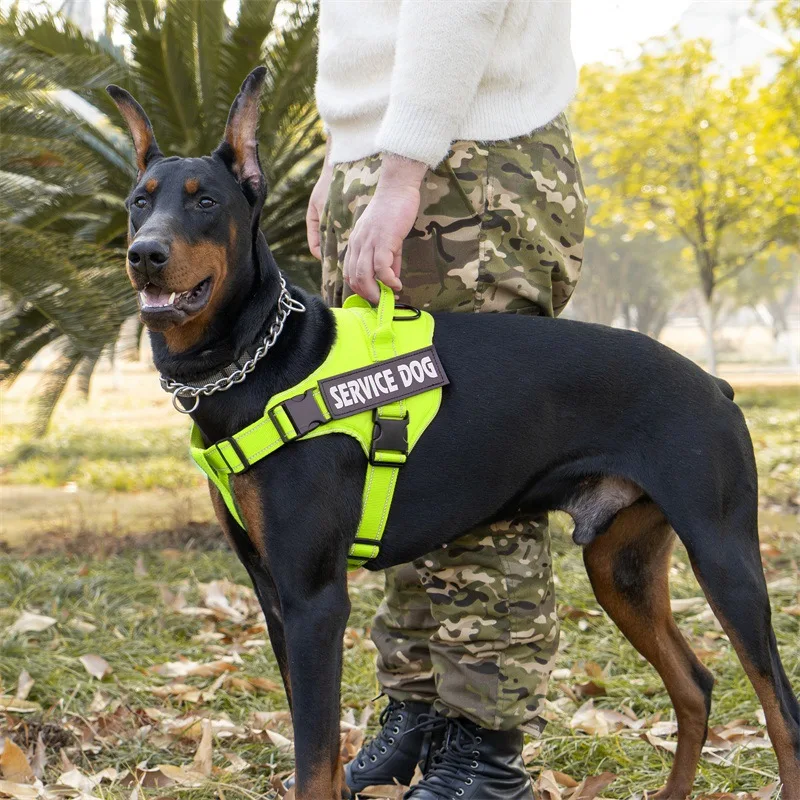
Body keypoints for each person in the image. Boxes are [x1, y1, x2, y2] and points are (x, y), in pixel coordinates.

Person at [306, 2, 587, 798]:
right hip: (402, 155)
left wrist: (400, 172)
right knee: (394, 465)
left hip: (469, 165)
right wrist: (345, 154)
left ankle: (483, 754)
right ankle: (421, 712)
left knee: (477, 473)